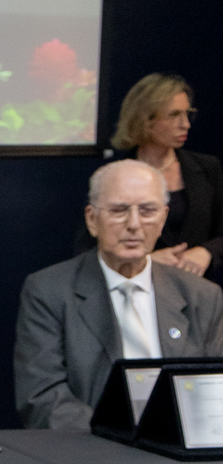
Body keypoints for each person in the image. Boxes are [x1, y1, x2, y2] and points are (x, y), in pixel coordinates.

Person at [15, 160, 223, 431]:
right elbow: (42, 399)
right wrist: (120, 438)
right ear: (92, 219)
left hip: (179, 447)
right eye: (118, 210)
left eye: (147, 211)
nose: (134, 224)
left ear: (163, 219)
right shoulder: (49, 291)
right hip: (92, 447)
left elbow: (215, 390)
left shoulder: (202, 296)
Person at [78, 75, 223, 284]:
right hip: (135, 287)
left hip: (197, 290)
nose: (185, 125)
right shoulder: (114, 176)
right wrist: (145, 261)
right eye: (174, 115)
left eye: (188, 114)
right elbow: (87, 250)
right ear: (146, 120)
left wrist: (206, 251)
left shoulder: (208, 168)